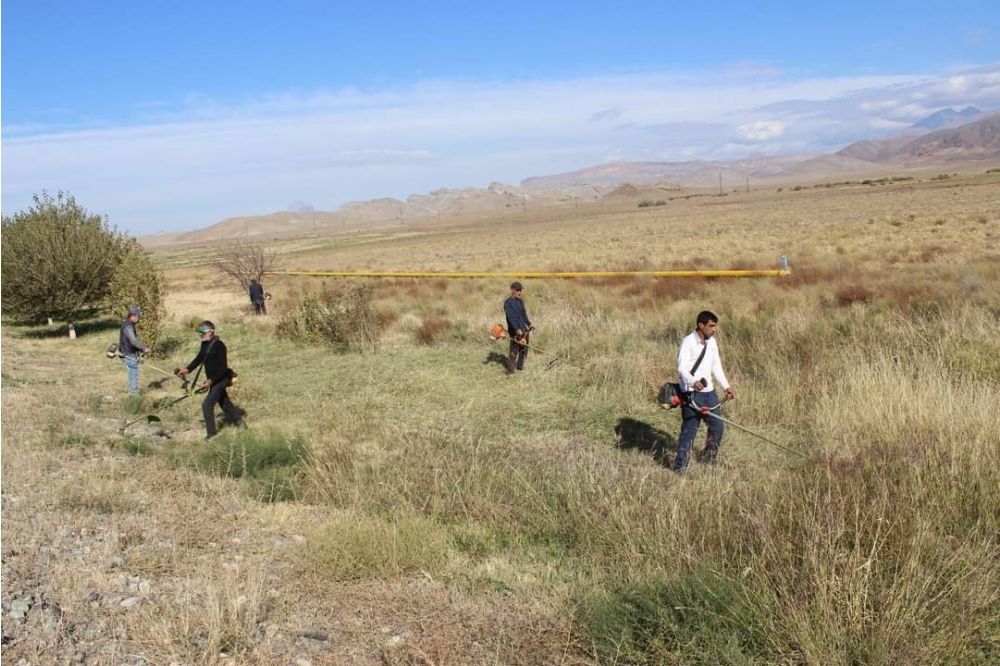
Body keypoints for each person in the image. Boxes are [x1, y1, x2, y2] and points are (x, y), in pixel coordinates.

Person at [672, 310, 736, 472]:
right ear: (700, 325)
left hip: (710, 394)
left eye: (715, 326)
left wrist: (726, 386)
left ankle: (708, 460)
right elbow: (681, 368)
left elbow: (716, 367)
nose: (714, 329)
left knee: (718, 427)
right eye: (711, 326)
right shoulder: (688, 342)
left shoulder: (712, 343)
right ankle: (680, 468)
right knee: (689, 431)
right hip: (691, 394)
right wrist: (693, 382)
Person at [176, 320, 243, 439]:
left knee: (207, 405)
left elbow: (223, 368)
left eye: (203, 332)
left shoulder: (220, 345)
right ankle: (242, 426)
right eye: (200, 333)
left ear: (210, 332)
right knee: (225, 403)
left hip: (221, 379)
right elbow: (199, 359)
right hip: (213, 380)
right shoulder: (204, 344)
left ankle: (211, 435)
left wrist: (210, 381)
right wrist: (187, 370)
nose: (200, 335)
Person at [503, 281, 534, 374]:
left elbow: (524, 315)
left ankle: (520, 368)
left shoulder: (520, 302)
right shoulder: (508, 303)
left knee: (523, 350)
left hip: (524, 330)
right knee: (514, 351)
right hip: (514, 331)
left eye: (520, 290)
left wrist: (529, 324)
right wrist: (517, 329)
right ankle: (511, 371)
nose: (519, 292)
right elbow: (511, 318)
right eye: (517, 290)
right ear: (512, 290)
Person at [119, 306, 151, 395]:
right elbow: (133, 341)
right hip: (128, 354)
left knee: (131, 374)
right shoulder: (128, 326)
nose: (139, 318)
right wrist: (144, 348)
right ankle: (134, 395)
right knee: (133, 374)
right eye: (138, 316)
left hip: (125, 352)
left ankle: (132, 393)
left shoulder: (128, 324)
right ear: (133, 316)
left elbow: (132, 340)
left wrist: (141, 348)